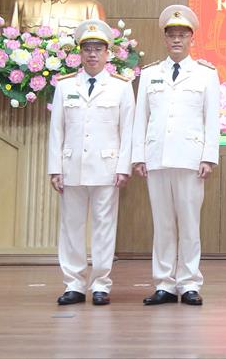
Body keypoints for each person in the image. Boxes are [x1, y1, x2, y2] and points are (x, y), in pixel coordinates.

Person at [132, 5, 220, 307]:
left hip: (191, 159)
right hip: (156, 157)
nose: (176, 40)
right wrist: (138, 155)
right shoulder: (150, 73)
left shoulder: (206, 74)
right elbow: (140, 118)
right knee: (163, 223)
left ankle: (190, 282)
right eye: (171, 35)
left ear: (192, 38)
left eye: (182, 34)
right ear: (164, 39)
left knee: (189, 223)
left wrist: (209, 156)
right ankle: (164, 283)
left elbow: (212, 119)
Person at [47, 19, 135, 306]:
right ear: (80, 53)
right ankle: (73, 283)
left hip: (106, 169)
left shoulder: (121, 87)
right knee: (71, 227)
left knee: (104, 227)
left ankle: (100, 284)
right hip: (72, 167)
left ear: (108, 53)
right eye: (87, 49)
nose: (93, 54)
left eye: (98, 49)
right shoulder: (65, 85)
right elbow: (56, 130)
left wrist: (124, 167)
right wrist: (55, 168)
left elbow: (128, 131)